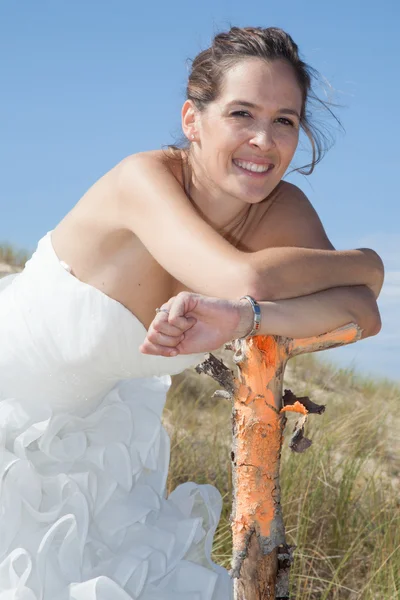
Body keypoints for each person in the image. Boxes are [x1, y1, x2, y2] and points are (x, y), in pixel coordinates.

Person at [0, 26, 383, 600]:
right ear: (191, 119)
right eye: (242, 113)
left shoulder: (281, 212)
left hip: (95, 445)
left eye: (284, 120)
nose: (263, 139)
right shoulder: (143, 180)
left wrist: (247, 319)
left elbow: (360, 315)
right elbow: (245, 277)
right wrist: (369, 263)